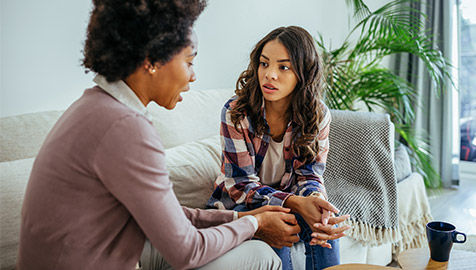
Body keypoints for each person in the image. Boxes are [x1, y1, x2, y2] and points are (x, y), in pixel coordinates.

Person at [16, 1, 303, 269]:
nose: (193, 76)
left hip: (104, 250)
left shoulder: (96, 107)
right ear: (152, 60)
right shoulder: (125, 128)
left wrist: (242, 217)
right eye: (189, 61)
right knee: (260, 256)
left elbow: (170, 218)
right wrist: (254, 226)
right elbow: (186, 251)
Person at [207, 26, 350, 269]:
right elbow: (241, 185)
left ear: (303, 73)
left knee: (326, 224)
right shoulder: (236, 112)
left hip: (289, 199)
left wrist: (316, 200)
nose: (270, 75)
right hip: (243, 206)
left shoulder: (318, 115)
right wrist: (294, 202)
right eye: (264, 64)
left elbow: (310, 174)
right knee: (278, 225)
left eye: (283, 67)